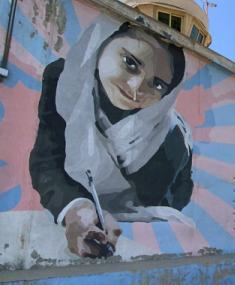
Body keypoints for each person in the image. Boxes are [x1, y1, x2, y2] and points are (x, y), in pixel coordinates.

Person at [29, 19, 192, 258]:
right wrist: (77, 211)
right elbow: (47, 159)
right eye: (130, 63)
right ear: (102, 44)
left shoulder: (173, 139)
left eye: (156, 85)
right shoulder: (64, 80)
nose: (136, 88)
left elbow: (174, 197)